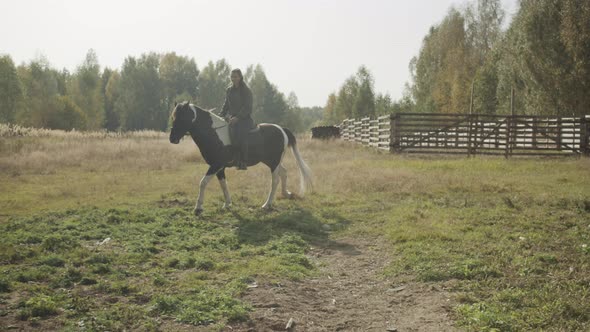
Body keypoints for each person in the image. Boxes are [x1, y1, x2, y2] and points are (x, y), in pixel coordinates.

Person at [220, 69, 254, 170]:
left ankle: (243, 162)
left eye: (235, 76)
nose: (233, 78)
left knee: (241, 135)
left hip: (245, 119)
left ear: (240, 77)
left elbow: (247, 107)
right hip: (232, 119)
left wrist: (237, 117)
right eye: (232, 76)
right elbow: (226, 105)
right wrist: (221, 114)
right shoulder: (229, 90)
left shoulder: (246, 90)